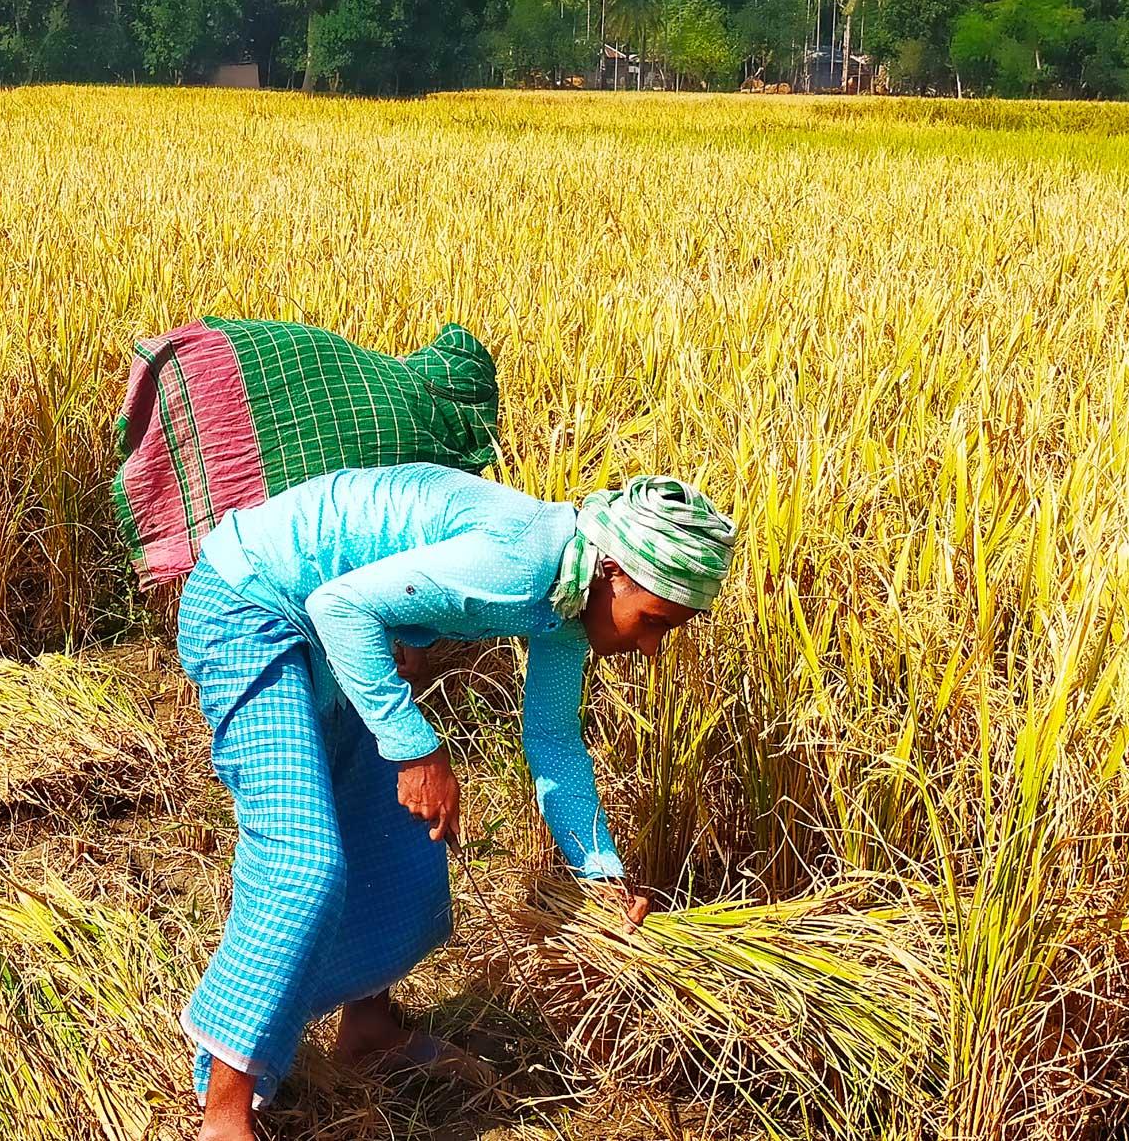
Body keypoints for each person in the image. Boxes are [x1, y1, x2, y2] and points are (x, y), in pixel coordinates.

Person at [175, 461, 736, 1140]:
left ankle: (370, 1028)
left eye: (668, 630)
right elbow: (339, 606)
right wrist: (416, 749)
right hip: (249, 604)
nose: (649, 647)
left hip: (332, 620)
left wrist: (603, 875)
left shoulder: (564, 602)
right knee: (302, 865)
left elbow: (554, 743)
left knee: (397, 837)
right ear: (614, 571)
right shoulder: (526, 565)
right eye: (653, 620)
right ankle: (224, 1116)